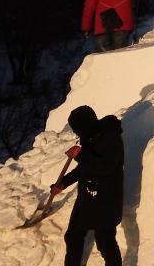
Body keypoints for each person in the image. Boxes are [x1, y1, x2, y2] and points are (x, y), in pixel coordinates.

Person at [51, 105, 124, 266]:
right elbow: (84, 167)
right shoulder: (90, 136)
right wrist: (63, 183)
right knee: (73, 236)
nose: (77, 133)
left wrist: (81, 154)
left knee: (105, 242)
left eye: (77, 129)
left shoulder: (110, 138)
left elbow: (106, 167)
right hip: (88, 197)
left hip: (106, 199)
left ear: (86, 125)